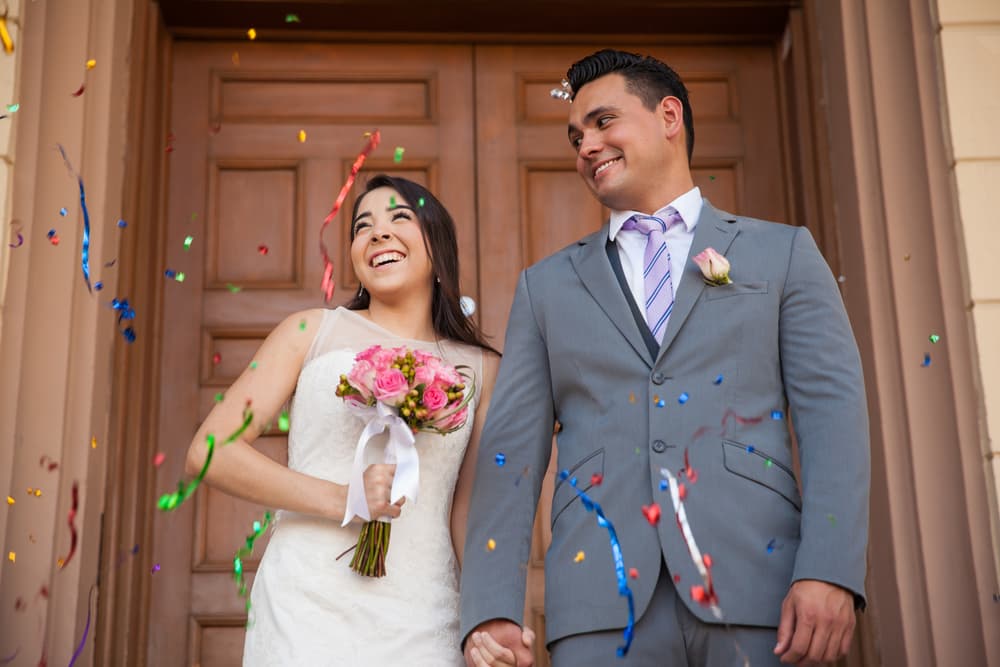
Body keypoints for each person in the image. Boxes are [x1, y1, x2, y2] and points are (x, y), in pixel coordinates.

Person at [459, 49, 870, 667]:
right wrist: (492, 606)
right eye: (575, 136)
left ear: (669, 115)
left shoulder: (781, 254)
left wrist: (831, 570)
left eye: (603, 122)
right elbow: (510, 453)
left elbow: (833, 418)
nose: (585, 146)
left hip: (761, 591)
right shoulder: (544, 288)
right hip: (599, 604)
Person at [185, 175, 532, 665]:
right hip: (308, 599)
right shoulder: (307, 333)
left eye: (399, 219)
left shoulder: (482, 369)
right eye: (362, 226)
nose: (378, 234)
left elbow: (469, 513)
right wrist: (342, 498)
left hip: (425, 609)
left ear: (438, 244)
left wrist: (490, 617)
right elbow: (209, 451)